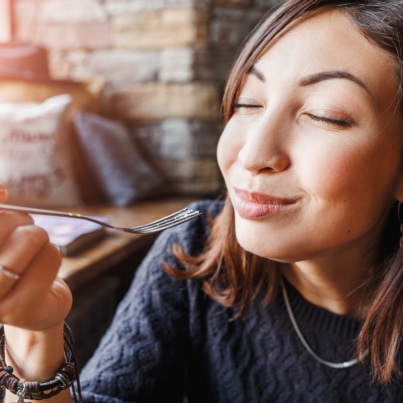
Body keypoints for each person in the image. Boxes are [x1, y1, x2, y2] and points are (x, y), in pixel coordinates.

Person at [0, 0, 403, 401]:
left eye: (324, 115)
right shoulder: (195, 248)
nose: (252, 154)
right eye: (249, 103)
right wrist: (36, 339)